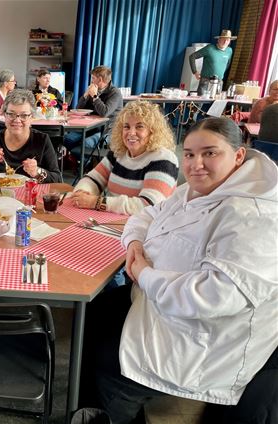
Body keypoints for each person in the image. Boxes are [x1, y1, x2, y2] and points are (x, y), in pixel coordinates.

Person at [80, 117, 278, 424]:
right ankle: (89, 406)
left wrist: (145, 273)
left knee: (111, 362)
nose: (196, 164)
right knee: (92, 314)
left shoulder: (254, 215)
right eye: (189, 154)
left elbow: (213, 297)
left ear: (238, 156)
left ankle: (113, 412)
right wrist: (134, 244)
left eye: (210, 153)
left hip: (202, 336)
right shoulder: (197, 190)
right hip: (155, 302)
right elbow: (147, 214)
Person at [71, 100, 179, 215]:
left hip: (150, 227)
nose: (131, 133)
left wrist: (96, 202)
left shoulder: (164, 159)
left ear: (152, 131)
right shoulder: (118, 153)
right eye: (126, 127)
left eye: (139, 127)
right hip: (112, 220)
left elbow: (148, 206)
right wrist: (82, 193)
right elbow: (92, 179)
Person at [0, 89, 61, 183]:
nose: (17, 120)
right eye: (11, 114)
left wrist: (37, 171)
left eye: (24, 115)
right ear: (4, 115)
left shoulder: (42, 140)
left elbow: (57, 179)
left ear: (32, 117)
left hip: (31, 196)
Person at [63, 65, 123, 158]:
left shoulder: (115, 92)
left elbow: (104, 112)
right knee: (67, 139)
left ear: (100, 79)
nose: (91, 81)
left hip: (107, 130)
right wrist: (85, 95)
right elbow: (78, 108)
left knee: (85, 144)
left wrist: (95, 96)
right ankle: (78, 162)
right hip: (91, 127)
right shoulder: (94, 90)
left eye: (93, 78)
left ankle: (85, 168)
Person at [189, 29, 236, 96]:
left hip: (219, 82)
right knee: (198, 104)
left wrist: (220, 74)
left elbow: (227, 64)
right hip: (205, 81)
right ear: (219, 39)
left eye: (228, 40)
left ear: (229, 42)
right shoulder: (209, 48)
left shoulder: (229, 51)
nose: (225, 42)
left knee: (216, 105)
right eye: (223, 39)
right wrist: (195, 72)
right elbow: (192, 57)